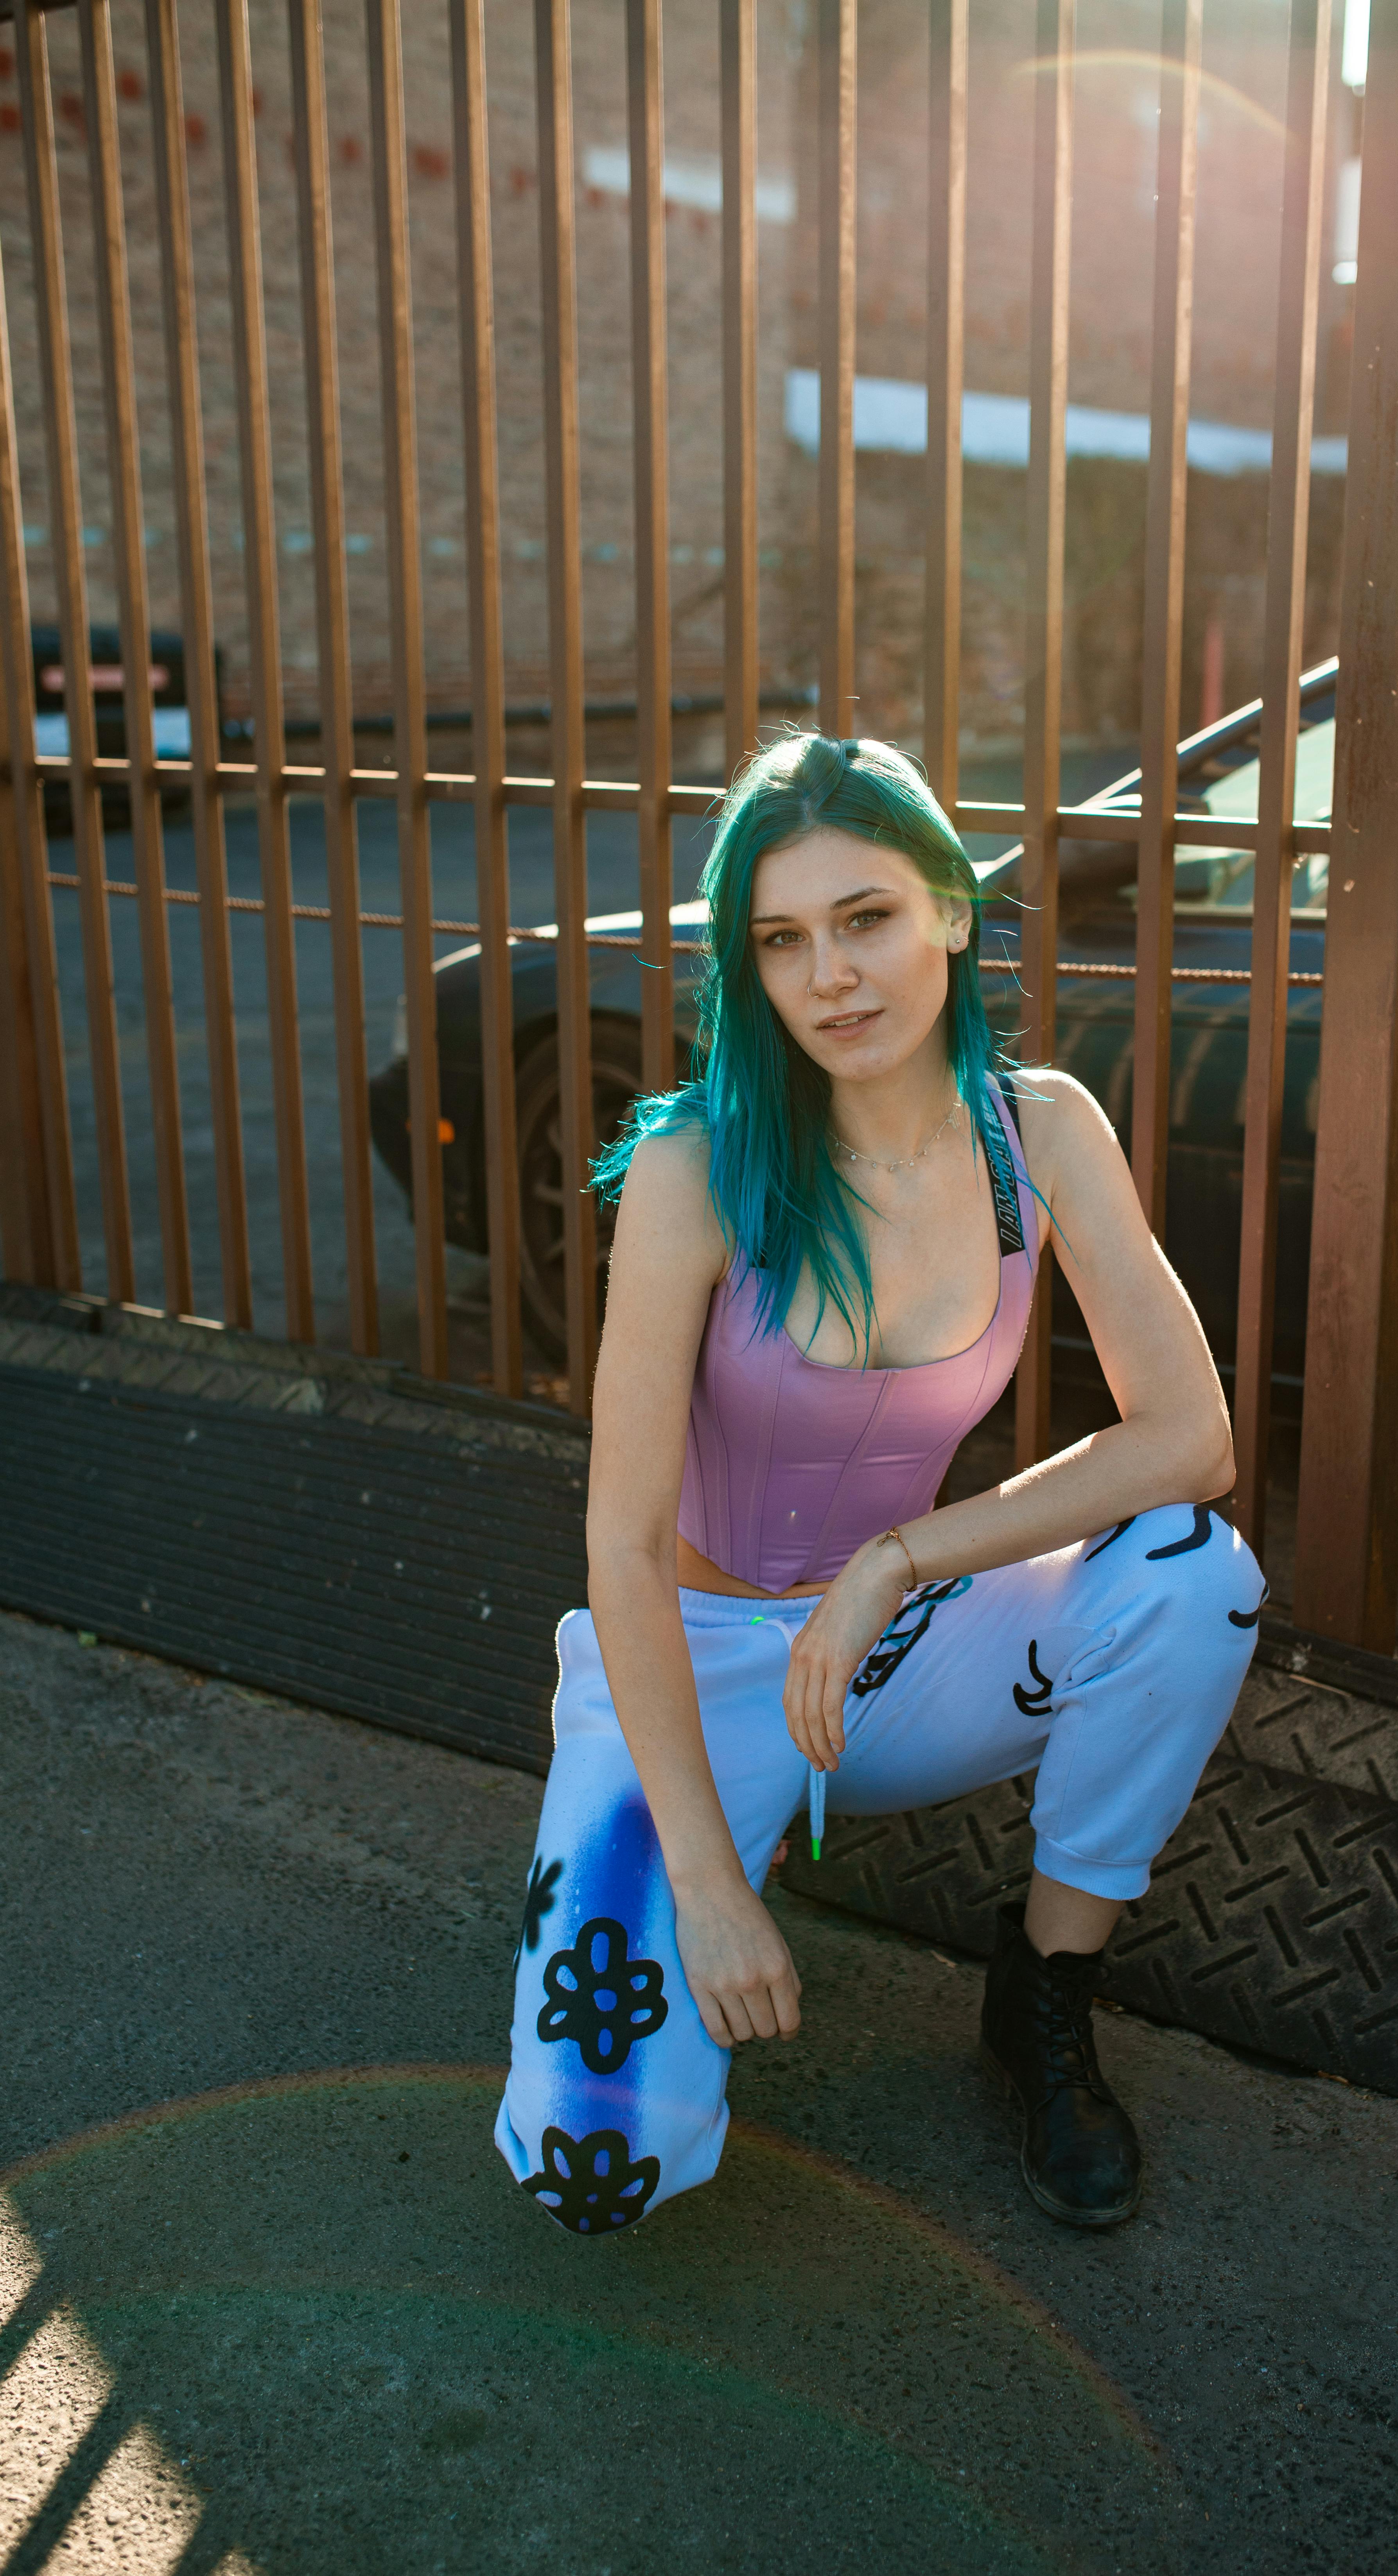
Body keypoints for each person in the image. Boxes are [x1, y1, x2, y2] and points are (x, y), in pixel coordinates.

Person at [495, 731, 1263, 2238]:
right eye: (781, 941)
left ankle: (1041, 1993)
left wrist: (897, 1561)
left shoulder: (1038, 1132)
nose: (830, 975)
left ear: (953, 915)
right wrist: (712, 1890)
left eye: (867, 919)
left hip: (891, 1653)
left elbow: (1189, 1435)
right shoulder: (697, 1168)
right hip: (697, 1668)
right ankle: (674, 1865)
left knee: (1193, 1576)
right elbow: (624, 1543)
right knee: (595, 2173)